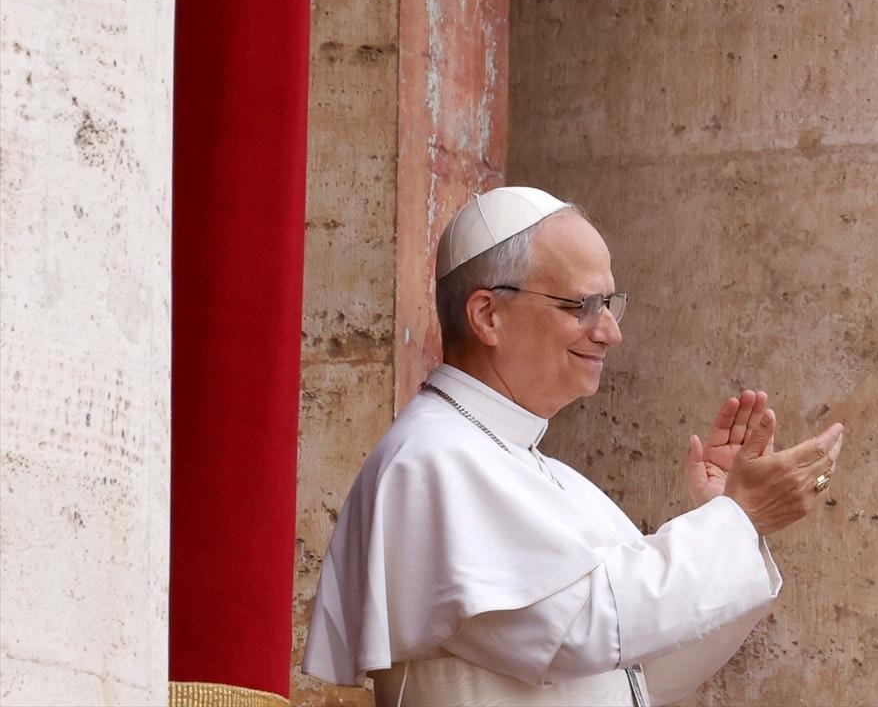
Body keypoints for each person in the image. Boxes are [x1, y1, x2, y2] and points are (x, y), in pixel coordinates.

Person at [302, 186, 845, 706]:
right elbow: (581, 631)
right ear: (488, 315)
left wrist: (728, 519)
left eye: (609, 304)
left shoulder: (552, 476)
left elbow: (651, 671)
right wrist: (737, 520)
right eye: (582, 305)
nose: (610, 332)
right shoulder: (432, 460)